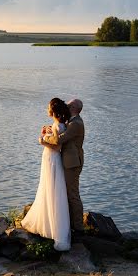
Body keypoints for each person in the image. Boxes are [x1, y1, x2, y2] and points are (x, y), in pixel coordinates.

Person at [20, 98, 71, 251]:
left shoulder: (58, 126)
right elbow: (56, 137)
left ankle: (51, 228)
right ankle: (51, 225)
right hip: (51, 159)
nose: (46, 110)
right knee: (50, 190)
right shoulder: (59, 125)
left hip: (52, 159)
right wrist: (49, 132)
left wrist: (42, 140)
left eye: (48, 108)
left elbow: (56, 147)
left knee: (50, 189)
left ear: (53, 111)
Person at [45, 98, 85, 235]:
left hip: (72, 162)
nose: (65, 106)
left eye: (68, 105)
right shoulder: (72, 122)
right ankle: (71, 223)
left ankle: (79, 227)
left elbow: (59, 140)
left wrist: (43, 139)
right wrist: (53, 128)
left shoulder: (76, 124)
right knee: (68, 192)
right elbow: (61, 133)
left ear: (73, 107)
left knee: (73, 194)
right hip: (69, 160)